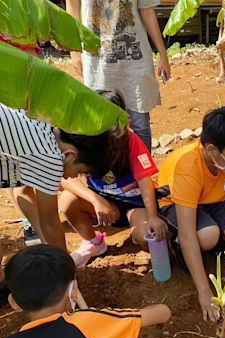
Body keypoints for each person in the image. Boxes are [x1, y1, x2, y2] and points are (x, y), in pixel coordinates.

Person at [155, 106, 225, 322]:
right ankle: (181, 248)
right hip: (177, 203)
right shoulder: (188, 166)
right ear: (211, 150)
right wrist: (204, 292)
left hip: (214, 199)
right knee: (207, 236)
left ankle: (216, 234)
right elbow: (188, 233)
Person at [0, 244, 172, 338]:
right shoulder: (85, 323)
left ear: (13, 302)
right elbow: (163, 312)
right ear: (73, 291)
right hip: (92, 327)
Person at [59, 90, 168, 267]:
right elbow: (64, 176)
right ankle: (94, 244)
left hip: (135, 204)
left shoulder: (130, 141)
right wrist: (96, 200)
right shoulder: (84, 141)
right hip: (104, 202)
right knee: (67, 201)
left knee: (146, 237)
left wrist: (153, 216)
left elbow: (145, 180)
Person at [0, 103, 112, 251]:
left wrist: (47, 246)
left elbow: (20, 192)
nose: (73, 176)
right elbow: (50, 223)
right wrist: (66, 271)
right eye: (79, 172)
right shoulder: (50, 157)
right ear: (70, 155)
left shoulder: (44, 120)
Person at [66, 0, 170, 150]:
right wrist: (74, 51)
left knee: (140, 124)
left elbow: (147, 11)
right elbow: (72, 7)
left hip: (135, 61)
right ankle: (109, 172)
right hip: (98, 63)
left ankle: (142, 172)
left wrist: (162, 53)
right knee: (101, 124)